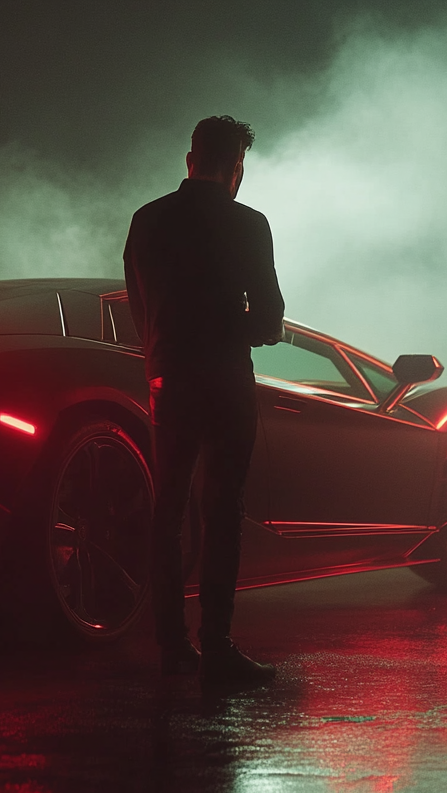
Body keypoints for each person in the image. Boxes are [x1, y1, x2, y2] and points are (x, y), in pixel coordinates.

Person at [123, 115, 285, 688]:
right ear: (235, 167)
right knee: (222, 513)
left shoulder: (147, 220)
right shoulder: (247, 223)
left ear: (190, 158)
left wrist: (168, 348)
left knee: (166, 512)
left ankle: (170, 647)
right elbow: (268, 319)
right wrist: (225, 327)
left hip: (167, 379)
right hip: (224, 383)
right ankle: (216, 644)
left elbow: (138, 307)